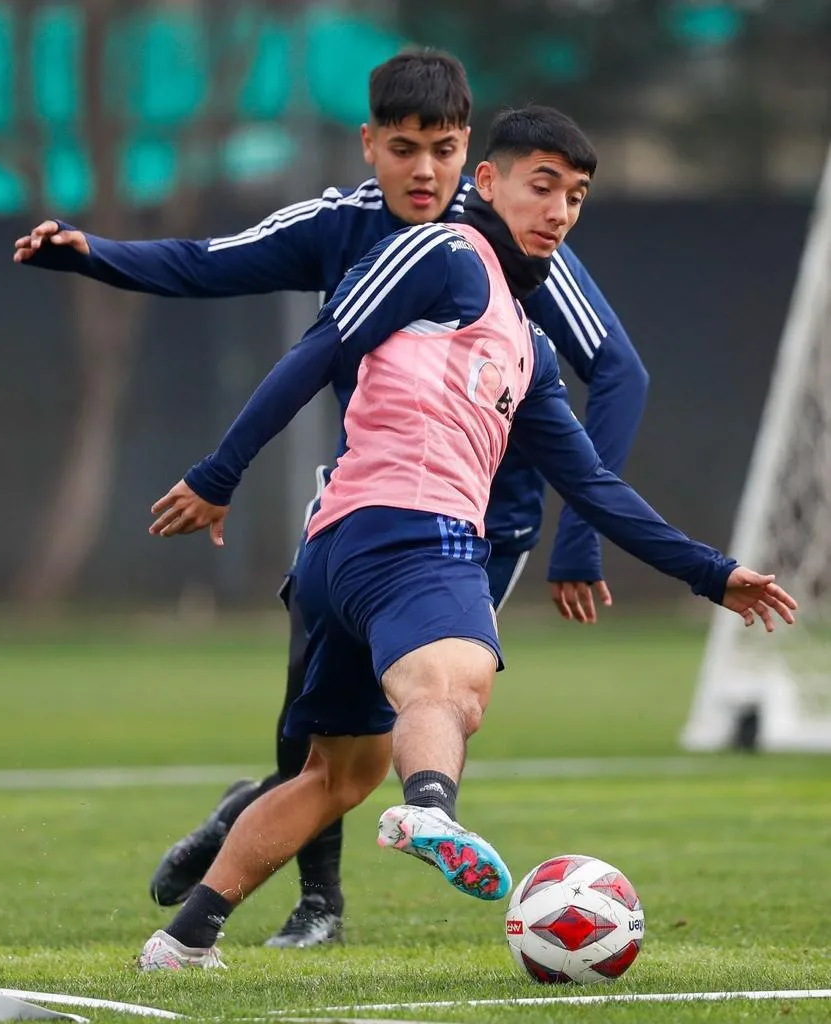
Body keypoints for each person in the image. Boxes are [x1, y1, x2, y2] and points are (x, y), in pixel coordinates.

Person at [136, 105, 796, 970]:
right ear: (486, 183)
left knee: (332, 778)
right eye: (542, 186)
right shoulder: (441, 251)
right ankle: (432, 808)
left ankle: (186, 938)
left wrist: (712, 575)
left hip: (341, 551)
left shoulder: (528, 348)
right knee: (454, 687)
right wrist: (220, 473)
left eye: (577, 196)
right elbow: (320, 346)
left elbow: (592, 486)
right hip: (410, 535)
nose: (559, 210)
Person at [14, 51, 649, 948]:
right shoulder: (340, 224)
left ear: (466, 152)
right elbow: (207, 262)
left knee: (398, 716)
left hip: (480, 523)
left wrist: (577, 538)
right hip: (362, 496)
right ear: (369, 146)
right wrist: (95, 255)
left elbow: (616, 368)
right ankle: (301, 882)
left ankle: (294, 874)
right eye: (402, 148)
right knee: (317, 714)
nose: (422, 171)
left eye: (440, 150)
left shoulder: (501, 242)